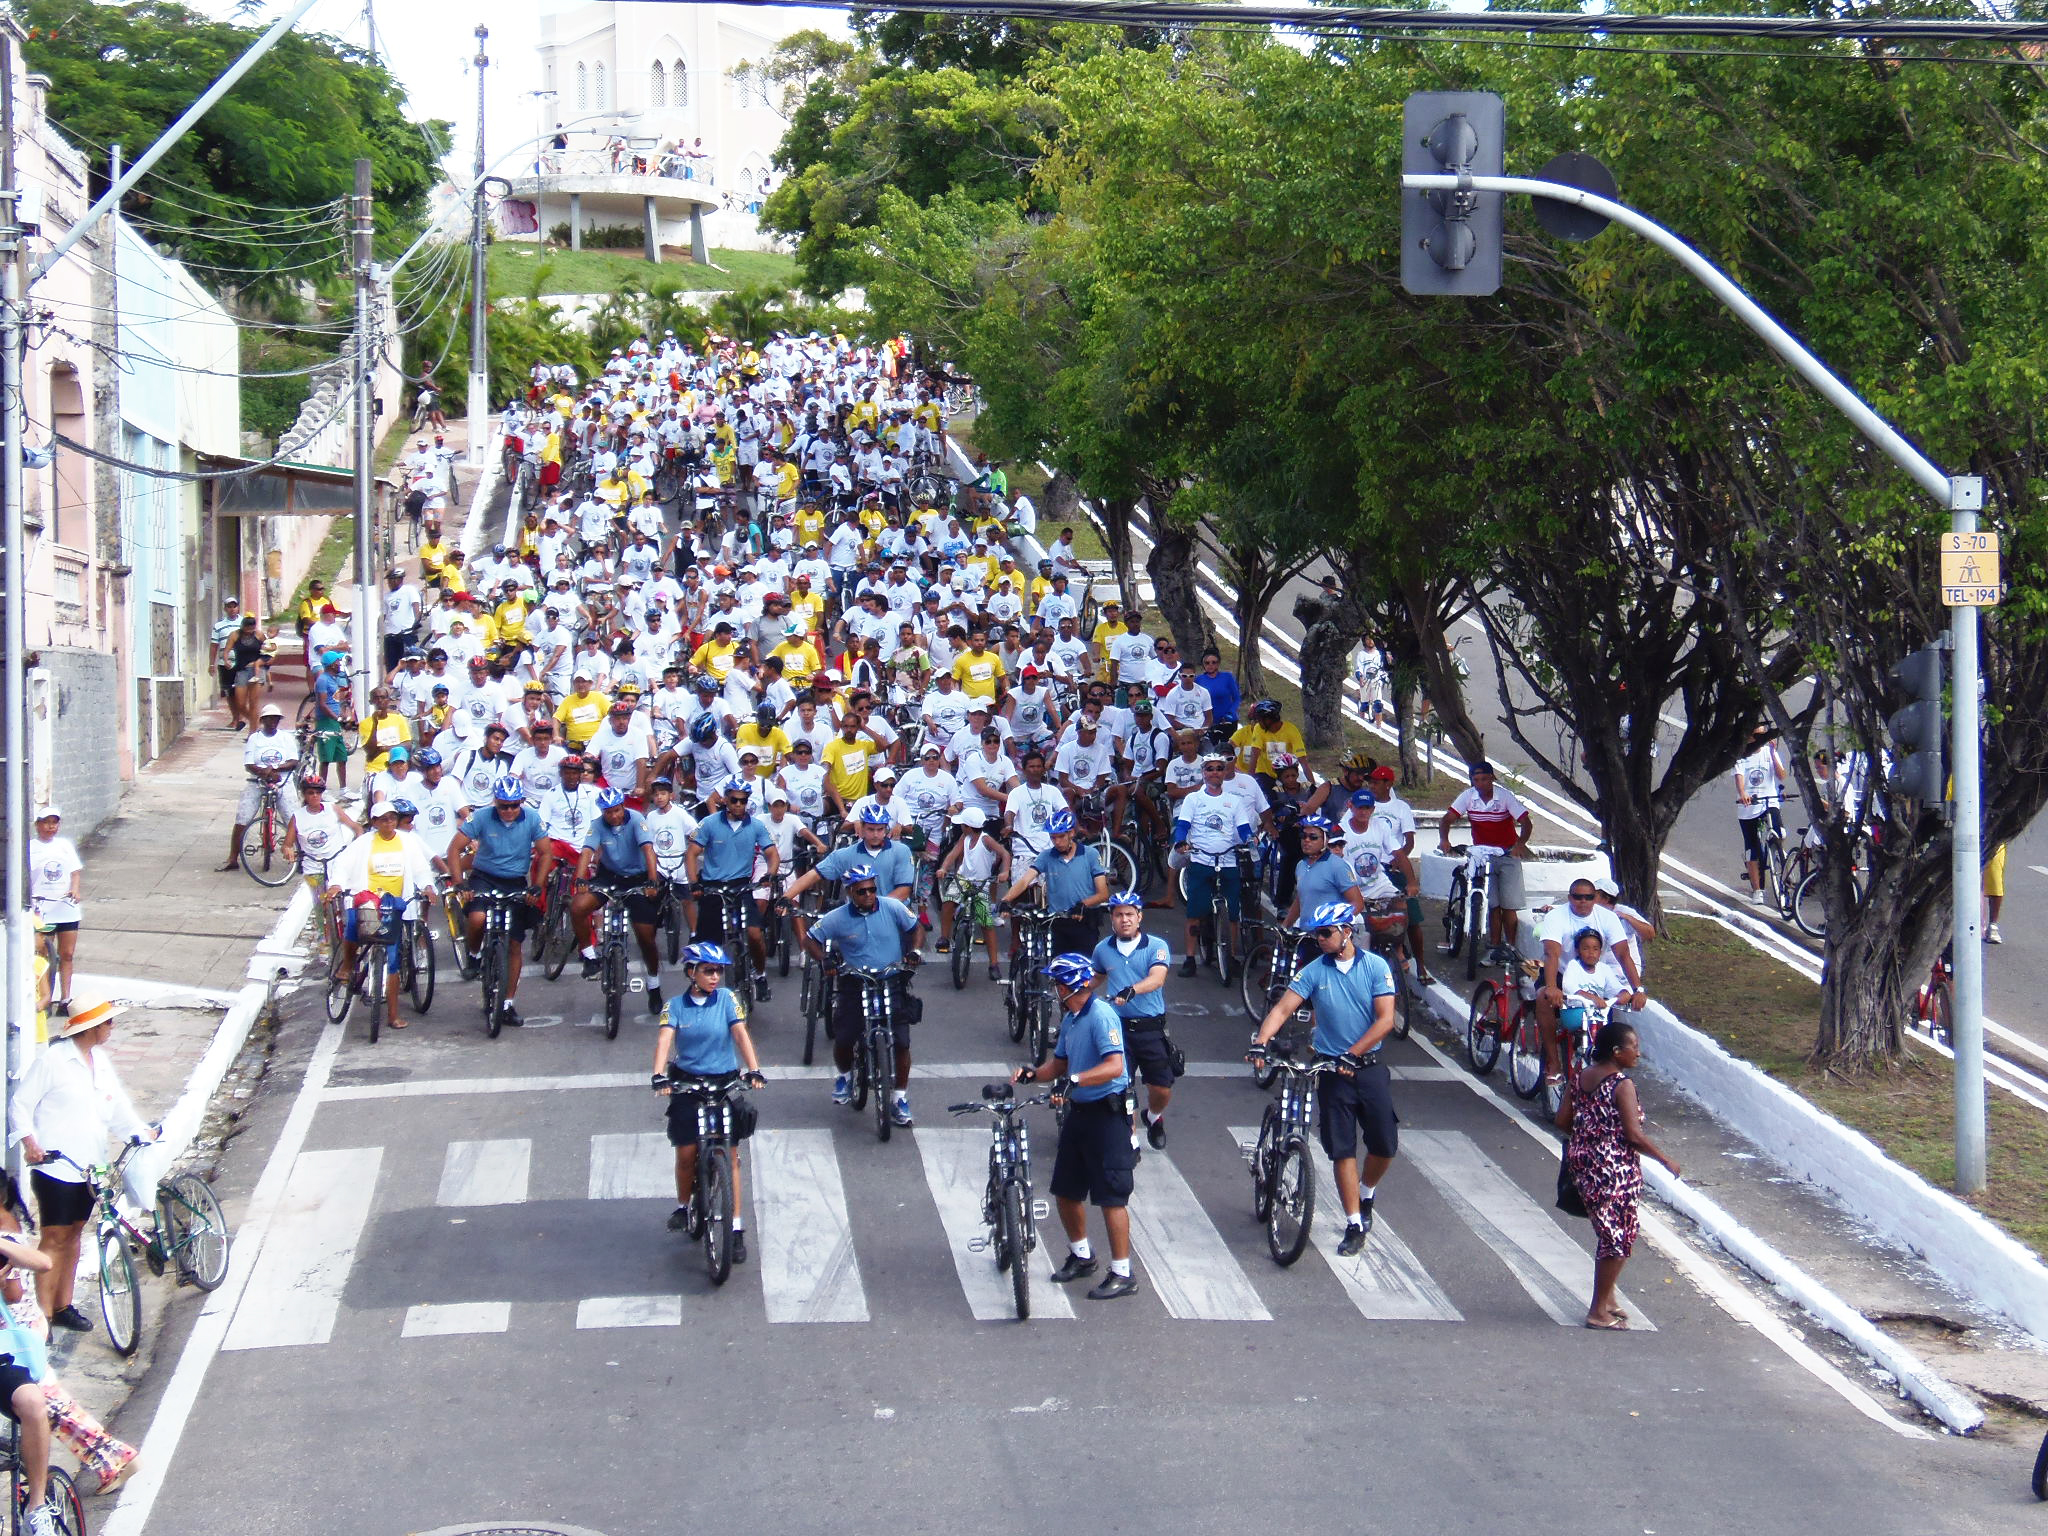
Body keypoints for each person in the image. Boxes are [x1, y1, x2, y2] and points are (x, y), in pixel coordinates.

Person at [1250, 903, 1399, 1256]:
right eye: (1316, 933)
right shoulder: (1314, 971)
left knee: (1384, 1144)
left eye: (1325, 932)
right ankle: (1354, 1223)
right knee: (1342, 1148)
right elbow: (1283, 1008)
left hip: (1368, 1067)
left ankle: (1366, 1194)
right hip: (1332, 1070)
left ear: (1347, 931)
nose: (1319, 939)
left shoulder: (1375, 967)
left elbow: (1385, 1020)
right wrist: (1260, 1041)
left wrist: (1354, 1053)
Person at [11, 996, 158, 1331]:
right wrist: (30, 1143)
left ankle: (63, 1305)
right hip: (56, 1167)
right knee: (54, 1238)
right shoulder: (53, 1061)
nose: (111, 1027)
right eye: (107, 1022)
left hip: (90, 1167)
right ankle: (44, 1316)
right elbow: (20, 1104)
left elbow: (117, 1109)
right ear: (91, 1027)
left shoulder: (100, 1062)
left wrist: (140, 1131)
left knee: (75, 1235)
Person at [1011, 953, 1138, 1300]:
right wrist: (1034, 1074)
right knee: (1066, 1191)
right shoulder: (1071, 1019)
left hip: (1108, 1116)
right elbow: (1059, 1064)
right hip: (1079, 1113)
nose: (1054, 988)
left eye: (1057, 983)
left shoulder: (1101, 1016)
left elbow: (1114, 1066)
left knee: (1111, 1197)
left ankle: (1122, 1273)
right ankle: (1082, 1256)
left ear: (1071, 986)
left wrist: (1075, 1080)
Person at [1556, 1020, 1680, 1330]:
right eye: (1633, 1047)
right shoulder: (1622, 1085)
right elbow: (1633, 1136)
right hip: (1614, 1170)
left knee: (1614, 1233)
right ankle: (1598, 1311)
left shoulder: (1581, 1076)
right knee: (1617, 1238)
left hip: (1584, 1164)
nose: (1638, 1053)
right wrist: (1665, 1159)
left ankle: (1608, 1299)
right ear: (1616, 1051)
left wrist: (1589, 1138)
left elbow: (1562, 1120)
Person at [652, 944, 767, 1258]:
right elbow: (664, 1040)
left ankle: (736, 1229)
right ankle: (682, 1206)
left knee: (731, 1156)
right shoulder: (675, 1006)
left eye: (718, 971)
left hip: (724, 1084)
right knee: (686, 1153)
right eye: (708, 971)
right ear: (692, 973)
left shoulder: (728, 999)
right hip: (688, 1085)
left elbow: (740, 1033)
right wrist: (658, 1075)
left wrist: (754, 1069)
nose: (715, 977)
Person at [801, 864, 923, 1124]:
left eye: (872, 889)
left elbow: (916, 929)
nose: (868, 895)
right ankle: (845, 1077)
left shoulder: (893, 907)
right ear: (850, 893)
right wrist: (824, 960)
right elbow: (809, 939)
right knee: (845, 1036)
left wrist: (914, 952)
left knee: (902, 1042)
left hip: (891, 981)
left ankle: (899, 1098)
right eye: (862, 891)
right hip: (855, 983)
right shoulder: (836, 917)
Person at [446, 778, 548, 1029]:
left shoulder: (532, 818)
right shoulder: (481, 817)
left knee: (514, 944)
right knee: (477, 918)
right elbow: (454, 850)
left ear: (521, 803)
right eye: (503, 806)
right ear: (495, 802)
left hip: (515, 882)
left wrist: (537, 885)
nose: (509, 811)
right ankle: (473, 955)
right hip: (484, 877)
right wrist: (459, 883)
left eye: (514, 806)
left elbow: (546, 852)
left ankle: (507, 1004)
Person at [328, 800, 435, 1026]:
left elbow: (420, 868)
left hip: (394, 904)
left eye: (392, 818)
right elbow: (343, 864)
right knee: (353, 923)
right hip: (368, 900)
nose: (389, 823)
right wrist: (337, 884)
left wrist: (427, 886)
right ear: (374, 822)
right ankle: (347, 966)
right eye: (383, 819)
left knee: (393, 958)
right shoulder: (363, 842)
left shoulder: (407, 841)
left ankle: (393, 1015)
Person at [1535, 879, 1647, 1088]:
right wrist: (1551, 987)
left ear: (1595, 898)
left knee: (1605, 1026)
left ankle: (1604, 1076)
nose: (1583, 901)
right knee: (1543, 998)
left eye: (1588, 897)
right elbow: (1552, 954)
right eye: (1578, 897)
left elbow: (1623, 955)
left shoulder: (1607, 917)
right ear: (1570, 898)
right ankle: (1554, 1062)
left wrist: (1636, 990)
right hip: (1560, 972)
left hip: (1594, 975)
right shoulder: (1556, 917)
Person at [1092, 891, 1176, 1150]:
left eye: (1129, 914)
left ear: (1140, 917)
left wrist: (1132, 990)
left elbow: (1157, 978)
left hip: (1150, 1028)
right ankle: (1130, 1141)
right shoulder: (1102, 949)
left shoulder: (1156, 946)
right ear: (1112, 919)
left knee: (1162, 1088)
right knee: (1122, 1090)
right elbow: (1095, 977)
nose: (1124, 919)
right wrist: (1074, 993)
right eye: (1118, 915)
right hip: (1118, 1030)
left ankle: (1153, 1116)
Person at [574, 789, 667, 1013]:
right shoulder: (597, 825)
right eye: (608, 812)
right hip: (610, 876)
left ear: (622, 807)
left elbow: (648, 850)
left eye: (616, 810)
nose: (613, 816)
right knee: (577, 907)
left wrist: (652, 881)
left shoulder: (636, 819)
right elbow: (586, 851)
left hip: (638, 877)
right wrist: (580, 878)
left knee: (646, 937)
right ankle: (590, 957)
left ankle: (654, 985)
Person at [688, 781, 780, 991]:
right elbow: (692, 853)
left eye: (743, 801)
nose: (739, 804)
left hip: (741, 886)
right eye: (734, 800)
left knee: (755, 933)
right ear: (725, 800)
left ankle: (760, 975)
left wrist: (770, 874)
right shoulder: (709, 823)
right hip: (713, 886)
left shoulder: (757, 825)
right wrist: (694, 883)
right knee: (707, 944)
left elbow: (772, 854)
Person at [1437, 761, 1531, 965]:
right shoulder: (1468, 797)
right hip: (1482, 855)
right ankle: (1494, 948)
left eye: (1484, 779)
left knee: (1509, 906)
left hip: (1507, 854)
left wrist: (1519, 844)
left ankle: (1510, 948)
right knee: (1492, 904)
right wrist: (1444, 839)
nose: (1480, 784)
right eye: (1476, 780)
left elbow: (1525, 822)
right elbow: (1447, 819)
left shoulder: (1504, 797)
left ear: (1492, 778)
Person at [1172, 754, 1255, 978]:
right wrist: (1180, 842)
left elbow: (1243, 827)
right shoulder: (1193, 799)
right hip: (1201, 860)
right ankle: (1190, 958)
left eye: (1219, 768)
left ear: (1225, 772)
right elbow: (1183, 825)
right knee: (1194, 912)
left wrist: (1250, 839)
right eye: (1210, 769)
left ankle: (1231, 957)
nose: (1215, 772)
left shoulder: (1234, 801)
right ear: (1203, 772)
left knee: (1233, 912)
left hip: (1228, 861)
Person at [998, 807, 1108, 959]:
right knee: (1057, 967)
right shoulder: (1046, 856)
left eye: (1061, 836)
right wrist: (1005, 900)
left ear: (1072, 833)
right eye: (1053, 838)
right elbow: (1024, 881)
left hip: (1084, 920)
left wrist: (1083, 904)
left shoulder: (1090, 855)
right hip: (1057, 921)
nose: (1057, 842)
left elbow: (1103, 893)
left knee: (1085, 967)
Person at [934, 806, 1009, 981]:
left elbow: (1005, 854)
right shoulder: (964, 838)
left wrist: (1005, 871)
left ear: (968, 826)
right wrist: (944, 868)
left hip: (981, 883)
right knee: (948, 902)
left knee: (986, 923)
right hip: (963, 879)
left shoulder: (986, 840)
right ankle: (944, 937)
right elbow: (953, 854)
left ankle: (994, 964)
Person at [221, 702, 298, 872]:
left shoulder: (286, 738)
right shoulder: (255, 738)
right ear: (262, 720)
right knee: (243, 816)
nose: (273, 722)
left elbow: (293, 761)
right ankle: (233, 857)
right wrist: (264, 773)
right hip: (258, 780)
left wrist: (275, 769)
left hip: (282, 780)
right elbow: (249, 764)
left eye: (275, 719)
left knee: (292, 816)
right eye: (269, 719)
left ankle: (302, 856)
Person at [26, 811, 80, 1019]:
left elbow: (75, 872)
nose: (50, 827)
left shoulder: (64, 846)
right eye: (46, 823)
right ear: (37, 825)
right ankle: (45, 997)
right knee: (43, 954)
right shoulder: (30, 847)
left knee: (67, 954)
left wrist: (74, 890)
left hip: (65, 906)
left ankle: (65, 999)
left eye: (54, 823)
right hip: (42, 907)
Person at [1733, 725, 1786, 905]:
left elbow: (1782, 775)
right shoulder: (1741, 754)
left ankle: (1778, 852)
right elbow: (1739, 778)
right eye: (1757, 735)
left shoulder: (1769, 751)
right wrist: (1743, 794)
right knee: (1752, 849)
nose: (1761, 739)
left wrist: (1772, 753)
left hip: (1769, 802)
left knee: (1780, 832)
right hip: (1749, 807)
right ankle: (1757, 890)